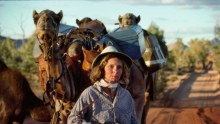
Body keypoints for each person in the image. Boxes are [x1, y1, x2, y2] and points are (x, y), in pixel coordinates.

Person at [67, 46, 138, 124]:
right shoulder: (90, 94)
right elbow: (72, 120)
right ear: (102, 68)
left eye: (119, 67)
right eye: (111, 66)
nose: (115, 71)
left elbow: (134, 121)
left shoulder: (126, 95)